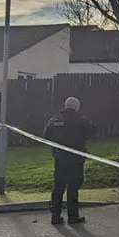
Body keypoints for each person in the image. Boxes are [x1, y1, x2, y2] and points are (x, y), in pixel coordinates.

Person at [43, 96, 97, 225]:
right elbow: (93, 131)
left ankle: (55, 216)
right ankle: (73, 217)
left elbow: (45, 135)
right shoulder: (80, 120)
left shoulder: (55, 120)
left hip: (59, 158)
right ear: (77, 108)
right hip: (75, 159)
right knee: (73, 188)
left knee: (58, 188)